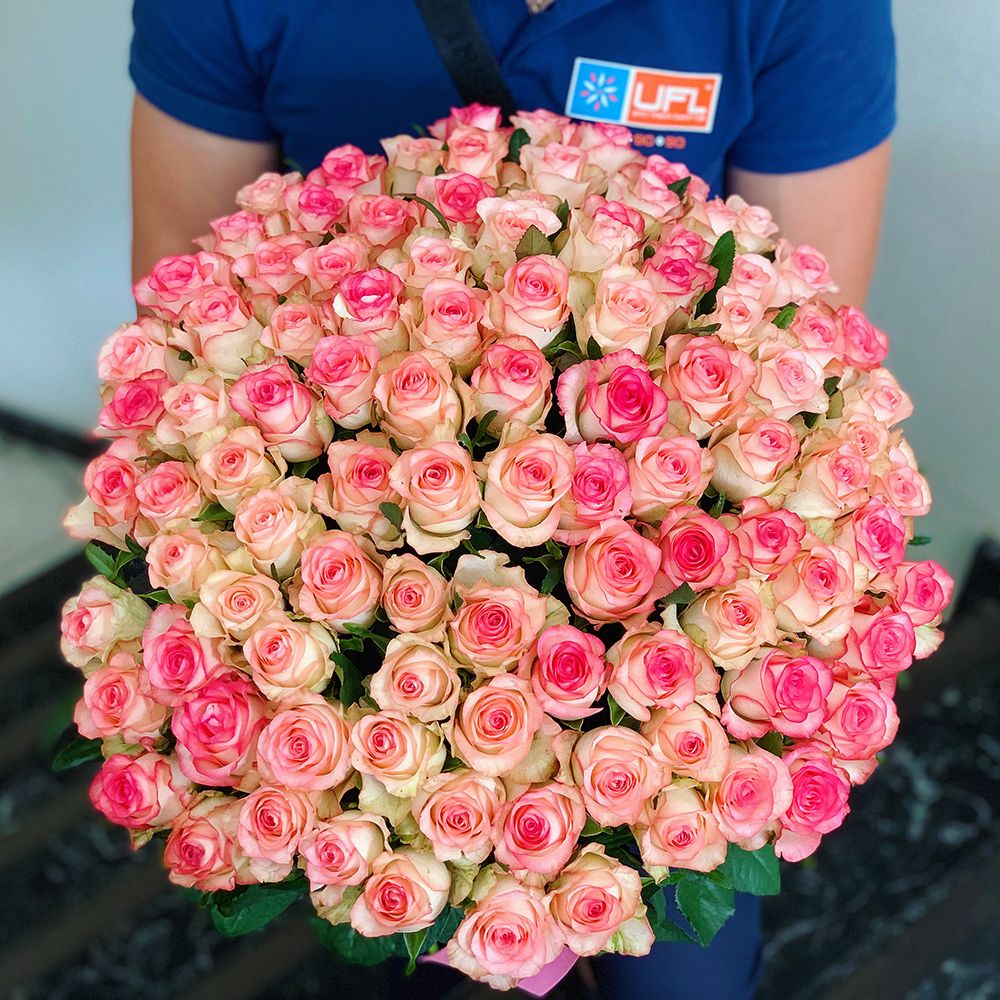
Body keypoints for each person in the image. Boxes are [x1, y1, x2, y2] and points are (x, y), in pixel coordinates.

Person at [127, 3, 895, 997]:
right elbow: (186, 327)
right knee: (397, 942)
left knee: (684, 969)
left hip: (683, 645)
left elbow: (807, 362)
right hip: (352, 601)